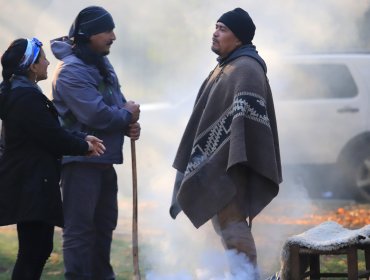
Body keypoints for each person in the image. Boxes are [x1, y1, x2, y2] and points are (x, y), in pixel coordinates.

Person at [170, 7, 282, 277]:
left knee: (232, 225)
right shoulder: (227, 66)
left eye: (223, 29)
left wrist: (232, 157)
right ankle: (239, 275)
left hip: (234, 165)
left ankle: (247, 276)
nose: (215, 32)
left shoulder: (246, 69)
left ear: (239, 38)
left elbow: (247, 125)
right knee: (225, 226)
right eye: (216, 26)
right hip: (223, 162)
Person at [0, 37, 105, 280]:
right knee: (34, 251)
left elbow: (48, 131)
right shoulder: (26, 98)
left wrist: (82, 137)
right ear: (32, 67)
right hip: (31, 183)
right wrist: (83, 146)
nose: (48, 63)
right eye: (43, 59)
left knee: (36, 249)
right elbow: (51, 137)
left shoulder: (22, 93)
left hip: (30, 181)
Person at [51, 6, 141, 279]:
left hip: (103, 162)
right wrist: (126, 115)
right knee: (79, 231)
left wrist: (128, 124)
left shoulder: (101, 62)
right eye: (107, 31)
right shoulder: (70, 72)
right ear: (88, 34)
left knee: (104, 226)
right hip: (81, 164)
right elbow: (97, 114)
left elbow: (115, 104)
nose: (113, 36)